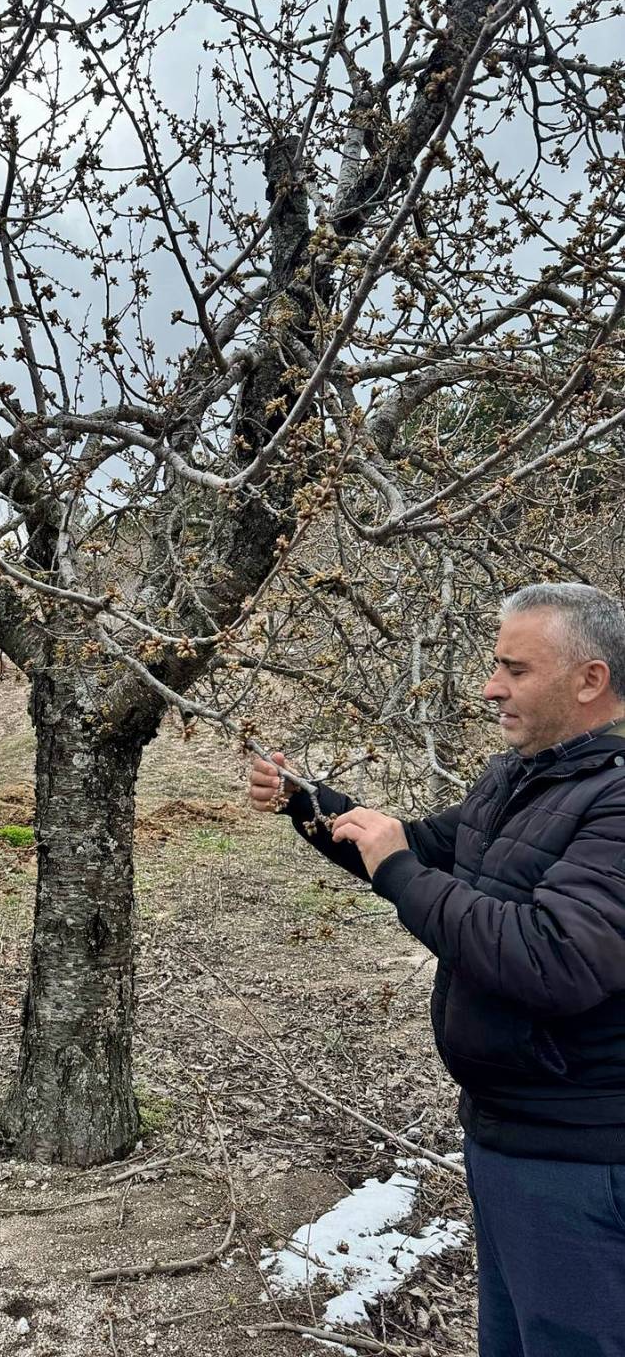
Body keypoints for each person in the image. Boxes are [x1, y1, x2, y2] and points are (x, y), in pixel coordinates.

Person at [250, 582, 625, 1357]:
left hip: (579, 1157)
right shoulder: (520, 777)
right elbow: (420, 850)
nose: (491, 687)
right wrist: (307, 802)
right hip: (507, 1132)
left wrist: (397, 870)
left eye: (515, 670)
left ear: (590, 680)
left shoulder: (615, 802)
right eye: (496, 666)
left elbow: (553, 957)